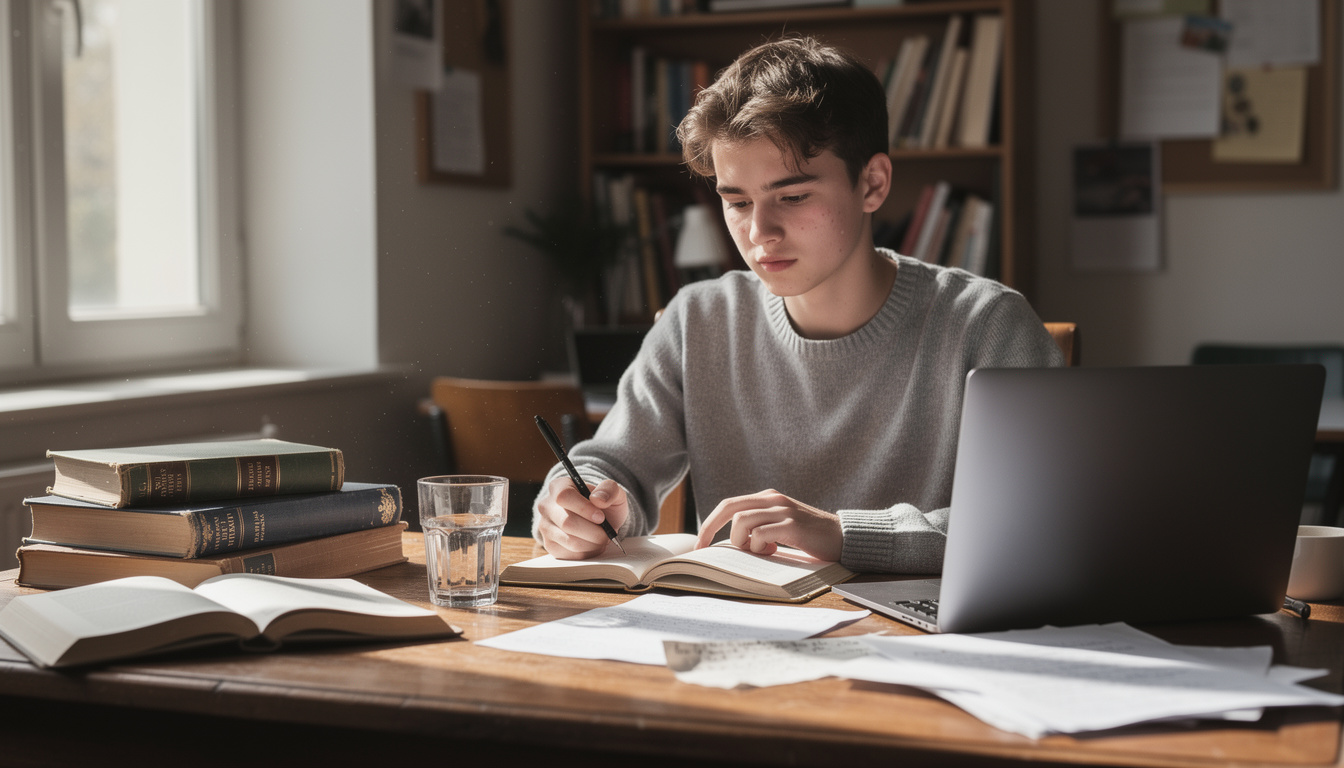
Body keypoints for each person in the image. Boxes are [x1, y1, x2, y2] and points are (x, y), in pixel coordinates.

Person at [532, 36, 1062, 572]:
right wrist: (578, 504)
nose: (759, 232)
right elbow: (611, 463)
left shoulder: (988, 324)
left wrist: (843, 534)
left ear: (873, 183)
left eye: (792, 197)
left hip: (920, 624)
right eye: (737, 201)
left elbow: (1042, 517)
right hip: (741, 621)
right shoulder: (698, 319)